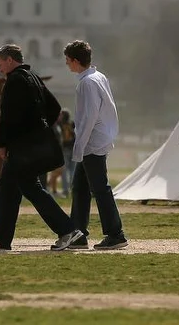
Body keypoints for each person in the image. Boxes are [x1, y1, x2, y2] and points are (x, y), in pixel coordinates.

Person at [0, 43, 83, 254]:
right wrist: (39, 127)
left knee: (20, 189)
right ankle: (2, 239)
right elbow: (55, 109)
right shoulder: (33, 77)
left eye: (0, 64)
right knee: (12, 189)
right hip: (34, 145)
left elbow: (9, 117)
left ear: (10, 60)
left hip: (21, 148)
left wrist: (3, 143)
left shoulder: (15, 80)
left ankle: (67, 230)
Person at [62, 40, 128, 250]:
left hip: (91, 142)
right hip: (98, 139)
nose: (66, 64)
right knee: (80, 188)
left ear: (74, 60)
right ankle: (78, 234)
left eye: (67, 60)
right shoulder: (98, 77)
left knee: (100, 189)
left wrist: (79, 146)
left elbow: (88, 117)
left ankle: (115, 233)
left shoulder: (87, 83)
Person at [47, 111, 75, 195]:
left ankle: (65, 190)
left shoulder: (59, 124)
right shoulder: (71, 123)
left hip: (64, 149)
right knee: (71, 170)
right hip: (72, 149)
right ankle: (72, 189)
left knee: (64, 171)